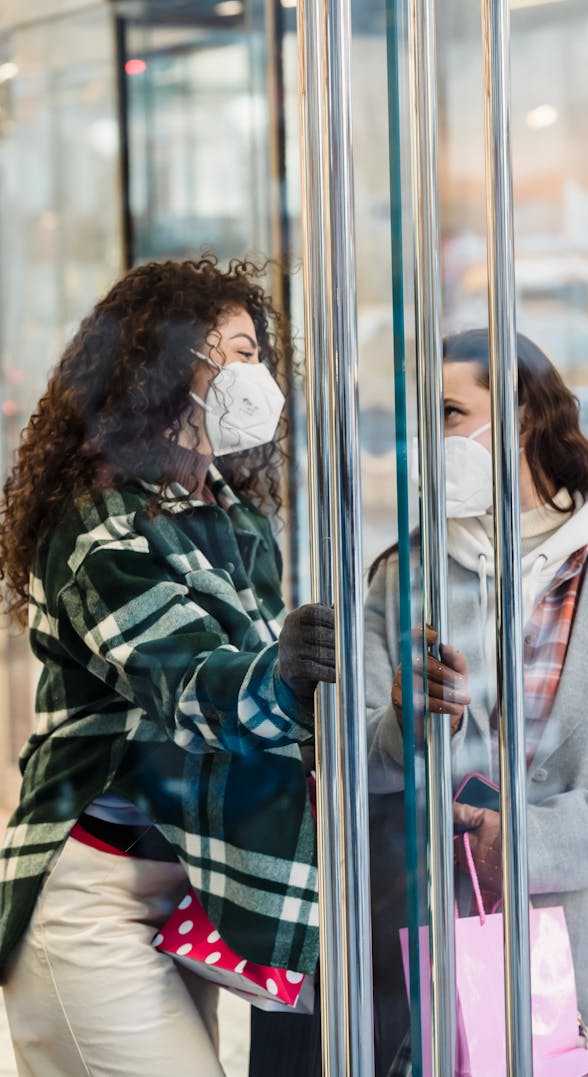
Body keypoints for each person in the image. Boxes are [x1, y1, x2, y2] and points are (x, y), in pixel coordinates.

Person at [0, 256, 334, 1075]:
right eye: (232, 351)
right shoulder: (95, 522)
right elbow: (188, 686)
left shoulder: (232, 514)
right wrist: (284, 671)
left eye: (258, 351)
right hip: (92, 900)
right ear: (162, 368)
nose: (253, 373)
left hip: (190, 889)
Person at [365, 329, 588, 1076]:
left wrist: (531, 844)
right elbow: (355, 762)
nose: (429, 438)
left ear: (521, 418)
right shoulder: (403, 578)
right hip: (422, 943)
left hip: (575, 948)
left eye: (450, 412)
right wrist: (405, 727)